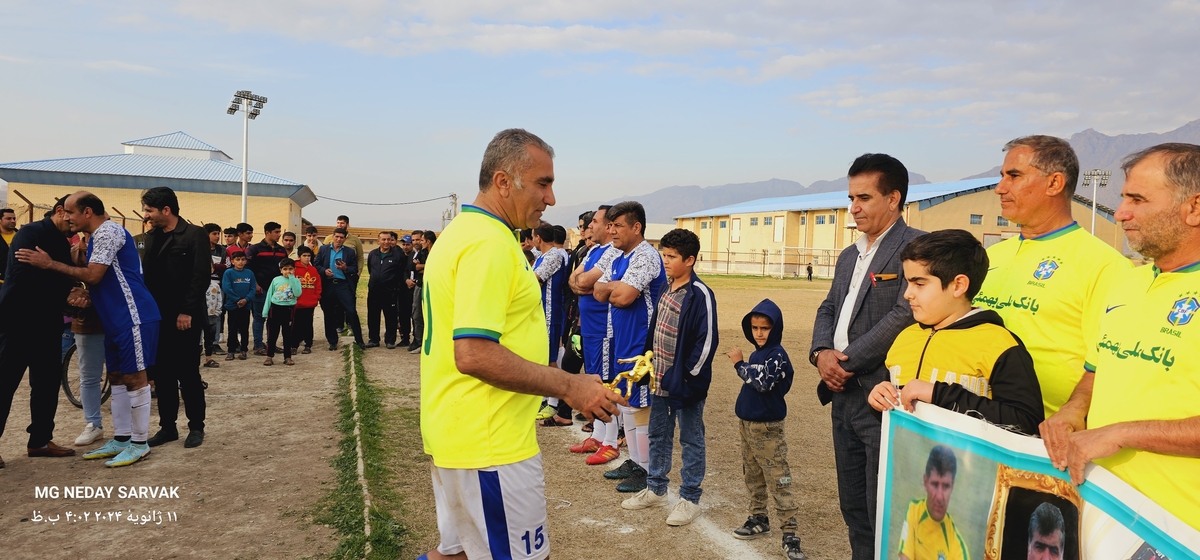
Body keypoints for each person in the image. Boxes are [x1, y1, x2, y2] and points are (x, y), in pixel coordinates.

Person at [419, 128, 623, 560]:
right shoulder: (488, 243)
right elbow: (473, 352)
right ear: (503, 182)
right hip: (489, 445)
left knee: (455, 554)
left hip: (458, 432)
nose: (550, 199)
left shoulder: (463, 232)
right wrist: (570, 386)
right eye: (543, 183)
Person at [1041, 143, 1200, 531]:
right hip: (1109, 514)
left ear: (1194, 208)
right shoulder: (1128, 283)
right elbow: (1098, 371)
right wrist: (1072, 412)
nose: (1122, 212)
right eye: (1123, 198)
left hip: (1180, 530)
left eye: (1138, 199)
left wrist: (1124, 433)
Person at [809, 153, 924, 560]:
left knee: (883, 507)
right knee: (853, 505)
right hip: (841, 394)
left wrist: (846, 361)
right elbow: (828, 308)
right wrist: (822, 353)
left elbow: (904, 313)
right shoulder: (848, 255)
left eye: (864, 197)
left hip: (882, 395)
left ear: (893, 199)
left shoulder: (916, 248)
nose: (853, 207)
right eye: (850, 197)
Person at [973, 135, 1129, 418]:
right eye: (1002, 176)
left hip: (1046, 437)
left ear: (1054, 183)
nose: (999, 188)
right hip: (977, 424)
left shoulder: (1104, 265)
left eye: (1014, 176)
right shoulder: (991, 257)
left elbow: (1108, 363)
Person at [18, 191, 161, 467]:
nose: (66, 217)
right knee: (117, 377)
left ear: (87, 212)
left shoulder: (108, 232)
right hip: (115, 318)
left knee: (135, 379)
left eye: (70, 212)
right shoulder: (97, 236)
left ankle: (140, 443)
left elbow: (94, 275)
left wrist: (50, 264)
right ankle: (122, 439)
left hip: (133, 315)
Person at [868, 230, 1044, 436]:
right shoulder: (904, 337)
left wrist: (939, 394)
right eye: (908, 283)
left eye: (919, 284)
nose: (907, 294)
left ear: (959, 285)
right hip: (905, 466)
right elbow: (898, 414)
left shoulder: (1000, 344)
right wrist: (880, 402)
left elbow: (1027, 423)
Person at [620, 227, 716, 527]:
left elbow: (707, 341)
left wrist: (688, 378)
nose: (666, 261)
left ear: (690, 260)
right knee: (658, 434)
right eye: (664, 255)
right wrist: (647, 360)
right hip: (659, 380)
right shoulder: (666, 287)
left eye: (672, 257)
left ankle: (689, 498)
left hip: (685, 384)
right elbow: (656, 330)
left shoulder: (700, 294)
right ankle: (656, 488)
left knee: (690, 438)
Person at [722, 298, 805, 558]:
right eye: (755, 328)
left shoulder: (777, 355)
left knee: (778, 479)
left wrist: (739, 364)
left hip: (767, 429)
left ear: (776, 328)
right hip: (747, 426)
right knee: (753, 476)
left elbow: (762, 383)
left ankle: (790, 533)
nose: (759, 333)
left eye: (765, 328)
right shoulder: (758, 353)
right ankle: (759, 518)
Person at [0, 197, 79, 468]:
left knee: (46, 383)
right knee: (5, 383)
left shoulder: (60, 240)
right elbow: (24, 277)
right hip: (18, 321)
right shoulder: (31, 233)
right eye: (73, 219)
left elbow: (59, 276)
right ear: (60, 212)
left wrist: (73, 285)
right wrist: (66, 288)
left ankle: (40, 441)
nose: (76, 226)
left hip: (47, 322)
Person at [592, 201, 666, 473]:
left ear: (637, 227)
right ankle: (635, 461)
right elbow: (597, 291)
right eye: (610, 225)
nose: (612, 232)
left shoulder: (644, 255)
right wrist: (615, 287)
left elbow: (622, 298)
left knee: (641, 405)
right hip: (621, 338)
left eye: (618, 226)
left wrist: (614, 288)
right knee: (627, 401)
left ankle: (645, 468)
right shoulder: (618, 255)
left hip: (641, 342)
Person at [140, 186, 210, 449]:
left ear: (166, 210)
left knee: (188, 374)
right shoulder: (152, 237)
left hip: (184, 319)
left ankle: (196, 427)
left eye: (149, 210)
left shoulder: (194, 235)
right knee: (163, 375)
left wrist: (187, 311)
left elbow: (200, 276)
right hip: (157, 318)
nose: (146, 215)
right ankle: (167, 427)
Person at [568, 205, 622, 450]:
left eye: (595, 222)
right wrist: (583, 283)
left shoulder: (612, 251)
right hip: (588, 327)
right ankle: (598, 436)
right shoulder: (593, 251)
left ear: (609, 226)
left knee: (605, 380)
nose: (590, 226)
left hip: (603, 328)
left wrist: (584, 283)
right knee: (593, 378)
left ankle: (609, 440)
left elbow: (588, 282)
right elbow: (575, 280)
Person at [898, 446, 968, 560]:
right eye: (935, 484)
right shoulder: (914, 511)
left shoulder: (958, 548)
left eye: (946, 486)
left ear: (952, 487)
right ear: (925, 482)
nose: (940, 497)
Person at [532, 223, 570, 422]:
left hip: (551, 313)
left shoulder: (554, 255)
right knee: (544, 357)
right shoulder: (543, 257)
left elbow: (534, 280)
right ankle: (547, 398)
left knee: (551, 358)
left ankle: (554, 403)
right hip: (541, 312)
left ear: (538, 238)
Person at [316, 228, 365, 350]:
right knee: (329, 313)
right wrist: (324, 271)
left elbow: (354, 267)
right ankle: (332, 341)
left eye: (341, 237)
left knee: (351, 312)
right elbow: (316, 264)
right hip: (328, 285)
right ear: (333, 237)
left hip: (343, 285)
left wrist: (345, 268)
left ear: (345, 238)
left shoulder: (349, 252)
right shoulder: (324, 249)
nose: (338, 239)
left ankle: (359, 340)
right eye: (336, 237)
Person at [246, 221, 289, 355]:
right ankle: (258, 345)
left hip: (277, 292)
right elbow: (248, 268)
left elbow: (285, 269)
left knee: (274, 319)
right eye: (276, 232)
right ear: (267, 233)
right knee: (259, 317)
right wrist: (255, 285)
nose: (279, 234)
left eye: (279, 231)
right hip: (261, 289)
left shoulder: (282, 250)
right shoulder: (255, 249)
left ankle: (271, 344)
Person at [366, 231, 406, 349]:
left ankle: (390, 340)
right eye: (383, 239)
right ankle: (373, 339)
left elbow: (400, 273)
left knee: (391, 317)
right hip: (374, 292)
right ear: (378, 241)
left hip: (390, 292)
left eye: (388, 239)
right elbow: (370, 269)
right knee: (373, 317)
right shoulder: (373, 254)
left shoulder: (398, 256)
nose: (386, 242)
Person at [262, 257, 301, 366]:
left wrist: (292, 279)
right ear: (280, 270)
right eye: (285, 269)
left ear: (294, 269)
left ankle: (287, 357)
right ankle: (269, 356)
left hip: (289, 309)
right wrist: (265, 311)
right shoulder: (276, 280)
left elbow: (297, 293)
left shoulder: (296, 280)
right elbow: (269, 295)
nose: (288, 271)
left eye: (290, 269)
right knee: (272, 334)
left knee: (287, 335)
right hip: (275, 309)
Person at [222, 251, 254, 360]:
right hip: (233, 305)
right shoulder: (228, 273)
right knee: (232, 328)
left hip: (245, 306)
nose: (240, 262)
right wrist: (237, 300)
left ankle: (243, 350)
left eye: (242, 259)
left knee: (244, 328)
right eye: (237, 260)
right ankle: (231, 350)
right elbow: (227, 288)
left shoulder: (249, 273)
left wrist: (246, 299)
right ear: (232, 261)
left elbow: (252, 288)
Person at [203, 223, 226, 367]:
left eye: (218, 233)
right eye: (214, 233)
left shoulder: (221, 250)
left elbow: (226, 266)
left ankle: (215, 343)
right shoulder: (200, 248)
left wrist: (215, 266)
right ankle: (199, 346)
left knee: (217, 315)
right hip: (202, 284)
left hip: (217, 284)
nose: (217, 237)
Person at [408, 230, 434, 353]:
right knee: (417, 313)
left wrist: (424, 266)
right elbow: (415, 267)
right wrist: (428, 266)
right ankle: (418, 341)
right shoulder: (421, 253)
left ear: (428, 242)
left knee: (431, 315)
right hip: (420, 286)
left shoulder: (438, 252)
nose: (420, 243)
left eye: (422, 240)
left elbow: (437, 268)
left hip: (433, 287)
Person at [293, 246, 322, 354]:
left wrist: (316, 297)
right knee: (295, 325)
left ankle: (308, 345)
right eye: (304, 256)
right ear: (299, 256)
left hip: (310, 302)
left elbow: (318, 285)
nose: (307, 258)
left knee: (308, 324)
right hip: (297, 302)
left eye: (309, 256)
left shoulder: (313, 270)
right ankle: (294, 345)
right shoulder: (294, 269)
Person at [397, 234, 415, 347]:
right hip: (402, 290)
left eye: (407, 244)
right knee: (403, 315)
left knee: (415, 315)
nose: (405, 247)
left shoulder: (415, 256)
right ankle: (405, 338)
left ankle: (417, 338)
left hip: (413, 289)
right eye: (403, 244)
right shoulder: (400, 256)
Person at [0, 207, 17, 286]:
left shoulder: (22, 235)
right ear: (0, 220)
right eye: (8, 218)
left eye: (14, 218)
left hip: (18, 280)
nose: (13, 221)